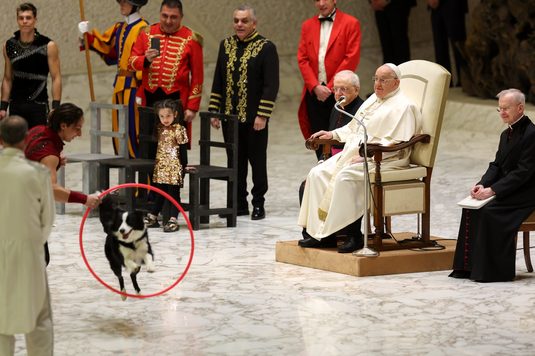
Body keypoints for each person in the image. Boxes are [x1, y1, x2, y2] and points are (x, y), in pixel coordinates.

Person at [298, 63, 422, 253]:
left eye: (383, 80)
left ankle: (354, 235)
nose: (377, 84)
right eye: (376, 79)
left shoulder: (404, 106)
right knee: (317, 173)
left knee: (345, 177)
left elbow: (398, 142)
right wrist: (332, 135)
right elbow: (353, 129)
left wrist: (369, 156)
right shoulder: (373, 99)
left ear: (396, 83)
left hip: (385, 159)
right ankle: (321, 235)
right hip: (355, 154)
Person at [450, 89, 535, 282]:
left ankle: (491, 272)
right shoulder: (506, 133)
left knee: (489, 212)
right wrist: (481, 184)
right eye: (500, 109)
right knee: (471, 209)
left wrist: (493, 190)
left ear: (520, 108)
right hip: (509, 188)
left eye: (506, 108)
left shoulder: (531, 134)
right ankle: (468, 268)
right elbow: (496, 165)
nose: (502, 113)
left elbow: (523, 172)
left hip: (526, 192)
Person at [208, 5, 279, 220]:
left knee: (257, 162)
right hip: (230, 118)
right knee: (234, 161)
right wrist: (214, 110)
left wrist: (262, 115)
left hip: (254, 118)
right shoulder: (226, 45)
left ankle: (258, 203)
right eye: (236, 20)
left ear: (254, 23)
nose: (239, 24)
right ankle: (238, 203)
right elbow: (218, 80)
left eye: (244, 21)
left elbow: (271, 84)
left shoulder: (266, 47)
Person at [0, 116, 55, 356]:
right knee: (39, 316)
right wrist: (33, 242)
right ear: (26, 140)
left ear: (0, 140)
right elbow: (48, 219)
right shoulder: (38, 173)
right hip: (28, 251)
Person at [25, 103, 100, 264]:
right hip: (24, 209)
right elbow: (51, 190)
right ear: (63, 125)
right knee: (38, 261)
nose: (79, 134)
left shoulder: (38, 130)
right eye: (77, 128)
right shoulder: (50, 154)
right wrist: (84, 199)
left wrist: (55, 162)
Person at [129, 0, 203, 157]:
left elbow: (197, 77)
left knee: (174, 152)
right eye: (165, 16)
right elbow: (131, 62)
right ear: (159, 14)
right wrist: (145, 60)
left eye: (173, 17)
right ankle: (148, 182)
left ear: (181, 17)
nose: (168, 21)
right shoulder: (146, 33)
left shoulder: (192, 39)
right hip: (150, 99)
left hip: (176, 102)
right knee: (148, 147)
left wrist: (192, 106)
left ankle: (173, 182)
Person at [78, 0, 149, 158]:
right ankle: (126, 174)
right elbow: (110, 53)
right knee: (120, 133)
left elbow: (145, 63)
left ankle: (143, 176)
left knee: (135, 131)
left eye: (125, 2)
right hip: (119, 86)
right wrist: (87, 36)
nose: (121, 5)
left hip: (134, 88)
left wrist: (141, 91)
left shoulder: (143, 29)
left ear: (135, 5)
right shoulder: (119, 28)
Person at [297, 0, 361, 160]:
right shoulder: (307, 25)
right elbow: (302, 58)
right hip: (315, 91)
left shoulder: (351, 23)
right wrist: (315, 86)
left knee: (339, 133)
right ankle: (321, 167)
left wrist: (332, 87)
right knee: (317, 133)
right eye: (317, 0)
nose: (321, 3)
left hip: (339, 90)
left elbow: (351, 57)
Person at [0, 2, 62, 128]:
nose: (24, 21)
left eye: (28, 18)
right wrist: (3, 107)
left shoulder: (48, 45)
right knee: (16, 145)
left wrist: (56, 107)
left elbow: (56, 77)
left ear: (35, 20)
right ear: (17, 20)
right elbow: (7, 78)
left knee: (37, 145)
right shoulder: (9, 45)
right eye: (21, 18)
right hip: (16, 105)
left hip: (38, 105)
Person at [143, 99, 188, 232]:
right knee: (159, 192)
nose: (165, 119)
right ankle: (153, 216)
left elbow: (183, 149)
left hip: (174, 166)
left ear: (175, 114)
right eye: (162, 116)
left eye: (168, 116)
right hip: (161, 166)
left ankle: (173, 219)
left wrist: (184, 166)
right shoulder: (159, 128)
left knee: (174, 193)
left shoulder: (179, 129)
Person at [427, 0, 468, 87]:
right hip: (435, 7)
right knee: (439, 47)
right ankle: (446, 83)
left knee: (458, 44)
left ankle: (465, 80)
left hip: (453, 4)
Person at [370, 0, 416, 65]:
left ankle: (403, 73)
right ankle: (387, 73)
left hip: (398, 4)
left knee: (400, 44)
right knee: (386, 45)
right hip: (378, 6)